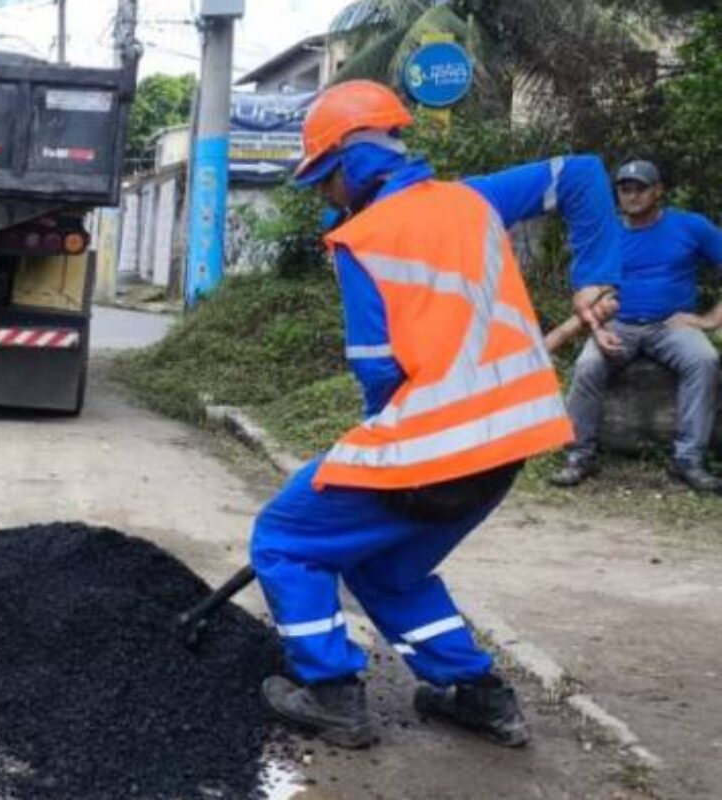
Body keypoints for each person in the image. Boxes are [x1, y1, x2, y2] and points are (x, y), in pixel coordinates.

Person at [250, 81, 621, 749]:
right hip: (514, 437)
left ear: (353, 161)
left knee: (284, 539)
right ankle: (479, 694)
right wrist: (595, 275)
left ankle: (331, 692)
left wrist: (372, 446)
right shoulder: (471, 199)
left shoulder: (362, 238)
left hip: (432, 448)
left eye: (326, 179)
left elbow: (376, 368)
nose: (325, 196)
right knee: (386, 568)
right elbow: (582, 175)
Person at [551, 160, 722, 492]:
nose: (631, 195)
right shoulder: (608, 234)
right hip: (618, 324)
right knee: (587, 365)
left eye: (640, 188)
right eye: (624, 188)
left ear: (658, 191)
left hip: (672, 325)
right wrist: (597, 330)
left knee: (703, 360)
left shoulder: (690, 227)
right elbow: (585, 292)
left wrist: (710, 320)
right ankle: (578, 455)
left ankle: (688, 460)